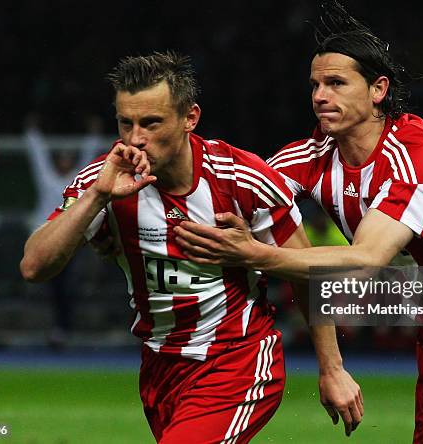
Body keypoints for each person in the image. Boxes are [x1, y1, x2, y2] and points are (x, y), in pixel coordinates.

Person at [173, 3, 423, 443]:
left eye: (336, 83)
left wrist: (254, 253)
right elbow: (229, 185)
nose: (320, 95)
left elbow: (366, 259)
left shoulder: (417, 157)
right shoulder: (311, 157)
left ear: (378, 89)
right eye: (315, 84)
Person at [20, 51, 361, 442]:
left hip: (237, 360)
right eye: (125, 123)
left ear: (190, 118)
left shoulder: (242, 179)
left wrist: (332, 369)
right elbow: (34, 266)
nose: (135, 139)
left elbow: (307, 272)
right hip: (159, 367)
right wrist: (96, 197)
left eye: (151, 123)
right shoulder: (106, 179)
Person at [23, 114, 103, 346]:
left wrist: (93, 135)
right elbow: (38, 159)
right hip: (47, 238)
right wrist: (32, 134)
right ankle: (56, 328)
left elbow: (89, 159)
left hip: (72, 240)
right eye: (62, 160)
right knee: (52, 286)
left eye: (69, 160)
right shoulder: (48, 179)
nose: (65, 163)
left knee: (69, 285)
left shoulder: (77, 180)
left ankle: (64, 327)